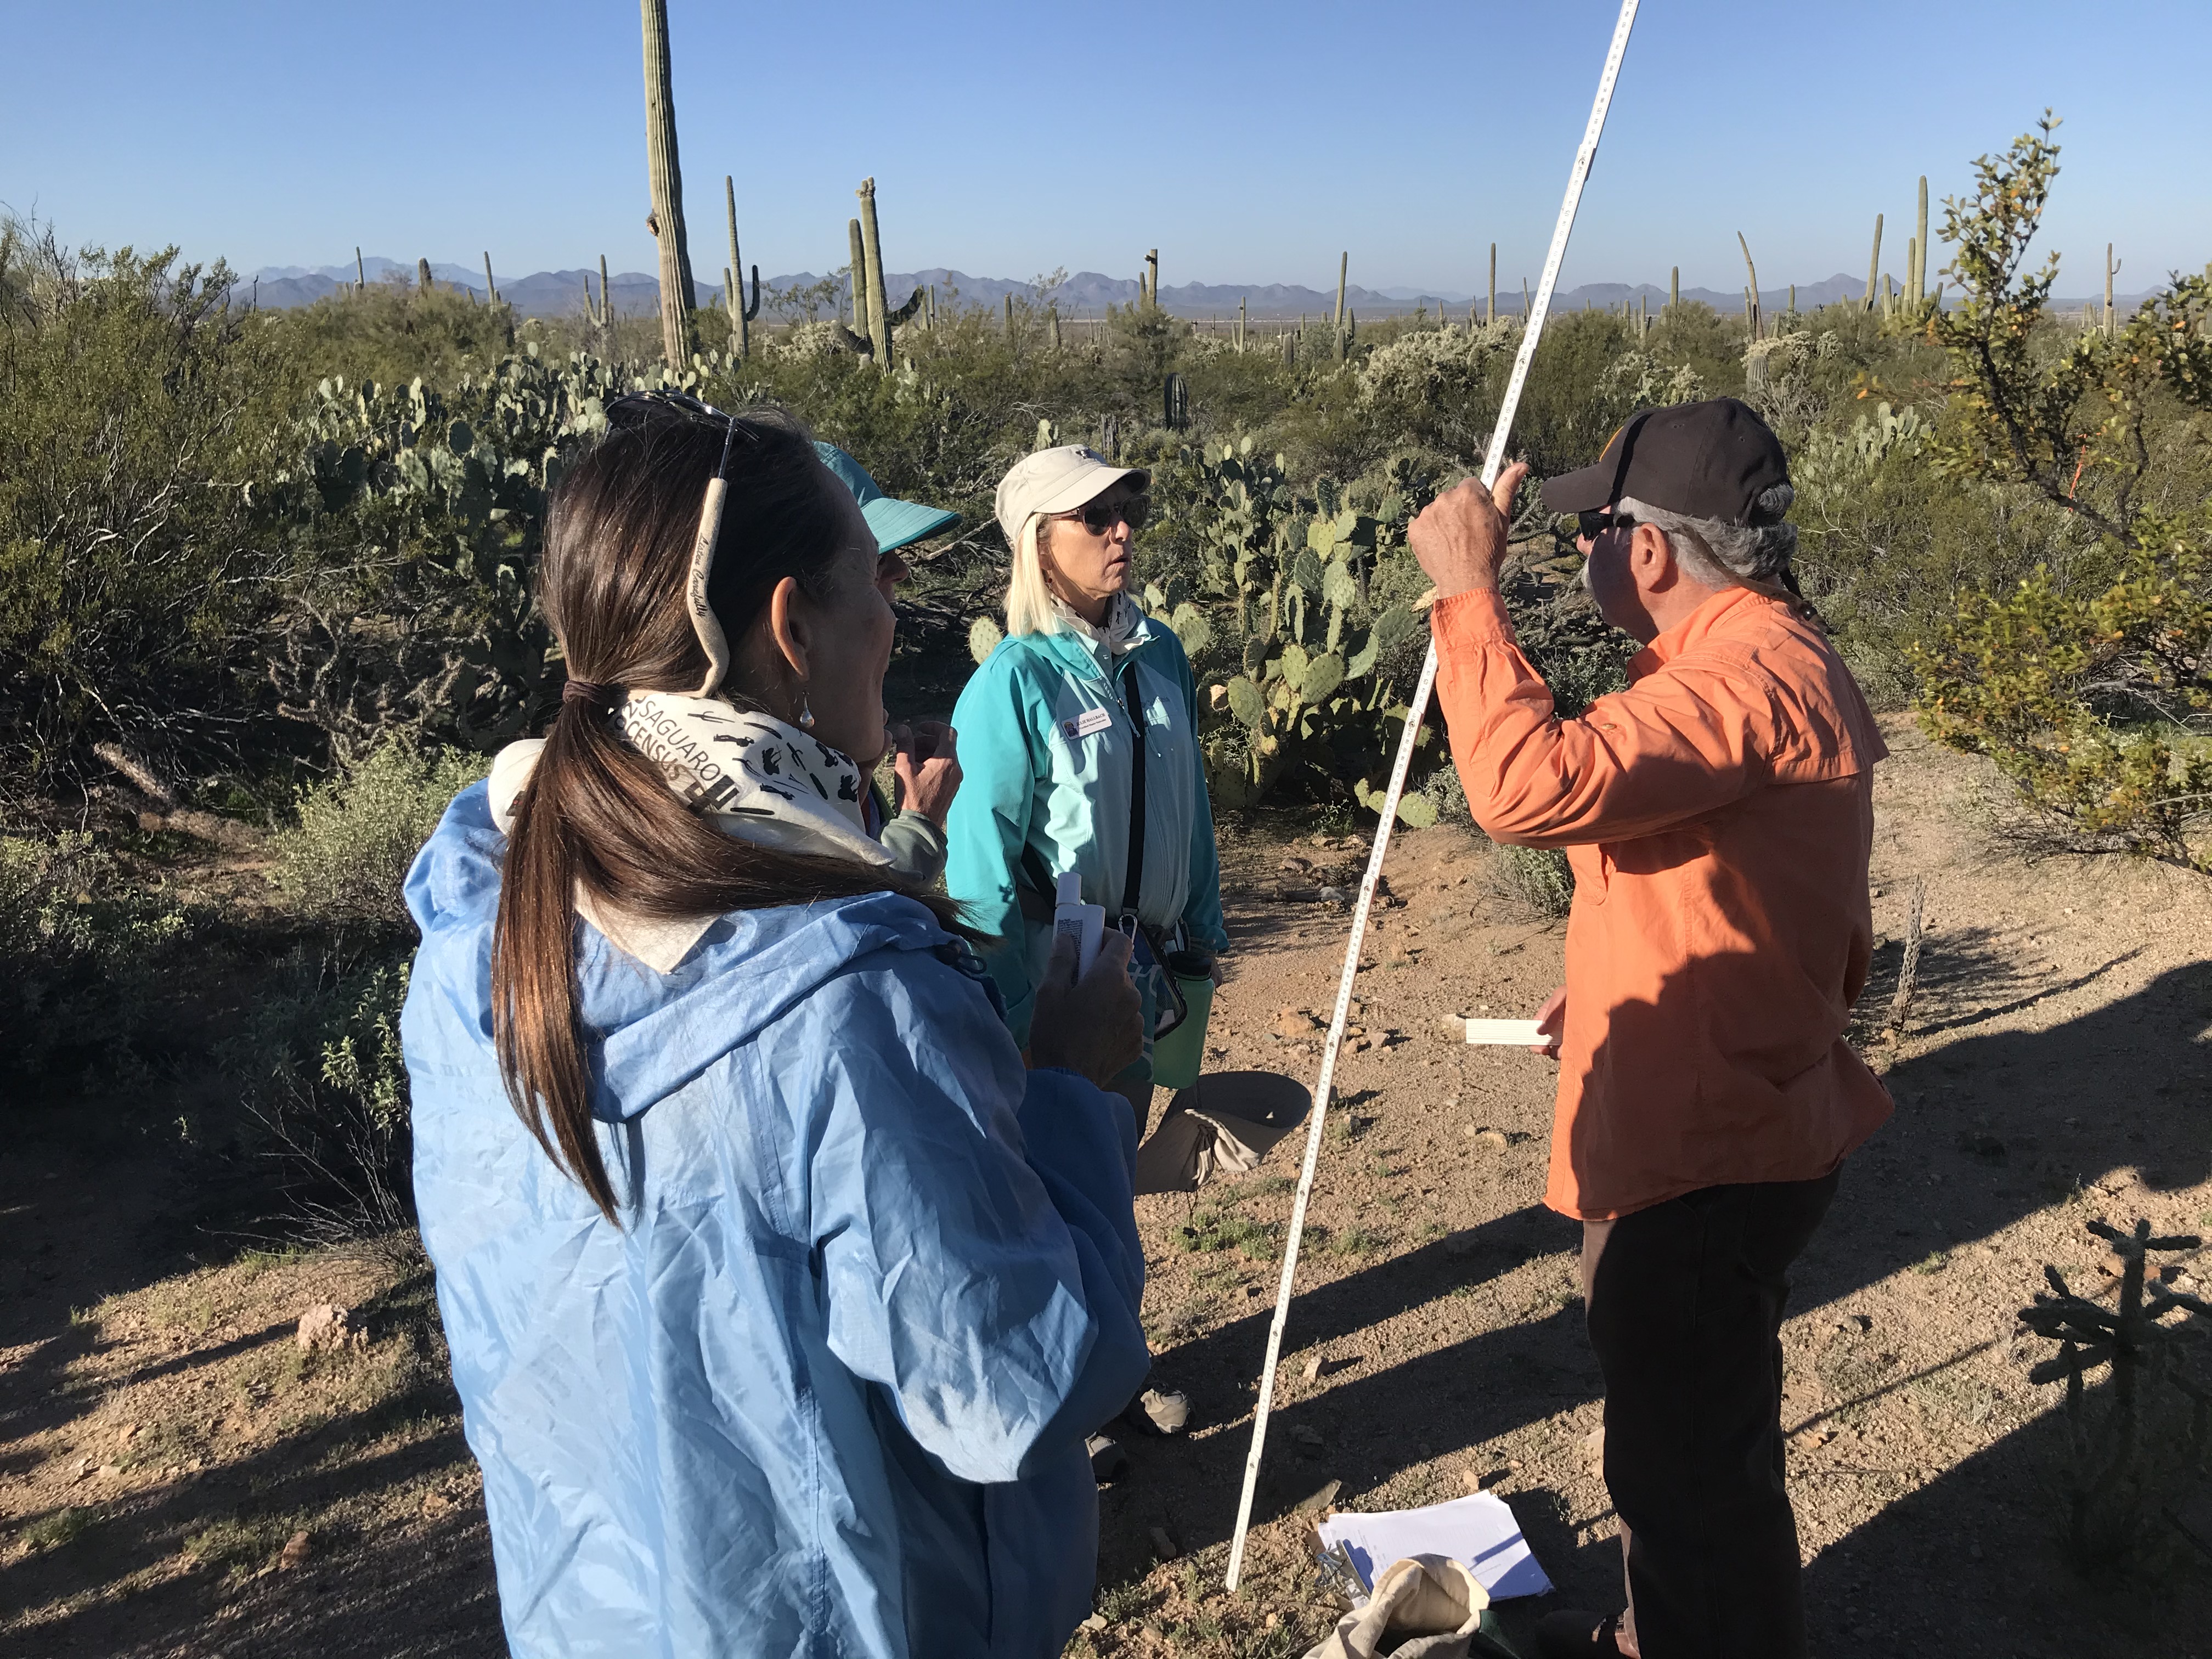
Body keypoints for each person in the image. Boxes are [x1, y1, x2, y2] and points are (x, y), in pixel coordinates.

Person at [403, 396, 1151, 1658]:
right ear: (794, 625)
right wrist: (1071, 1091)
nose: (895, 618)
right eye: (874, 581)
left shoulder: (481, 932)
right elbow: (1008, 1388)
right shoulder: (849, 1001)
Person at [1407, 398, 1893, 1659]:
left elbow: (1525, 788)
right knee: (1696, 1457)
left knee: (1689, 1480)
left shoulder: (1744, 678)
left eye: (1596, 531)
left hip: (1706, 1159)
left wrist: (1467, 594)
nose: (1582, 551)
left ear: (1656, 550)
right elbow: (1766, 895)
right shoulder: (1757, 657)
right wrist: (1620, 972)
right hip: (1734, 1118)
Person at [944, 444, 1231, 1448]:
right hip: (1054, 976)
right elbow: (980, 863)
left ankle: (1110, 1369)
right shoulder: (1011, 683)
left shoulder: (1161, 656)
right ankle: (1072, 1403)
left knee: (1110, 1178)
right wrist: (1015, 1011)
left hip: (1142, 970)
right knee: (1054, 1183)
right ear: (1037, 542)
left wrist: (1203, 932)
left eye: (1126, 512)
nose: (1121, 531)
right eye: (1094, 516)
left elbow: (1190, 807)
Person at [815, 439, 962, 882]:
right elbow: (853, 914)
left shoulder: (815, 742)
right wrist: (919, 825)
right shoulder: (767, 770)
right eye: (874, 558)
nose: (901, 569)